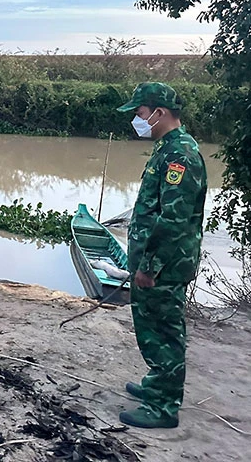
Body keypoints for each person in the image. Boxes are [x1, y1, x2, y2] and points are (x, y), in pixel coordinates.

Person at [116, 82, 207, 429]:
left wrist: (150, 266)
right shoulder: (166, 147)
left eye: (140, 114)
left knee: (164, 330)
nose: (138, 121)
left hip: (165, 265)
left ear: (160, 112)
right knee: (151, 326)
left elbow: (173, 219)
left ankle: (163, 407)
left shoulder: (180, 154)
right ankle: (157, 385)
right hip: (155, 261)